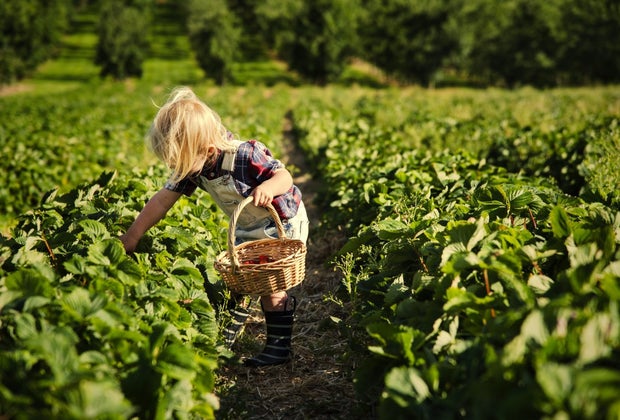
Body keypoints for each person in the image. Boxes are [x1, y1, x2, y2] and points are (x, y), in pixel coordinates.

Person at [120, 86, 309, 367]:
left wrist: (269, 187)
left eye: (180, 163)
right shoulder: (194, 165)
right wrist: (133, 236)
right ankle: (224, 343)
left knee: (271, 284)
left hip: (279, 225)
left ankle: (278, 348)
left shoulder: (245, 155)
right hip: (246, 227)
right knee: (239, 280)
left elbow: (285, 176)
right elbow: (162, 201)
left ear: (207, 150)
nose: (179, 169)